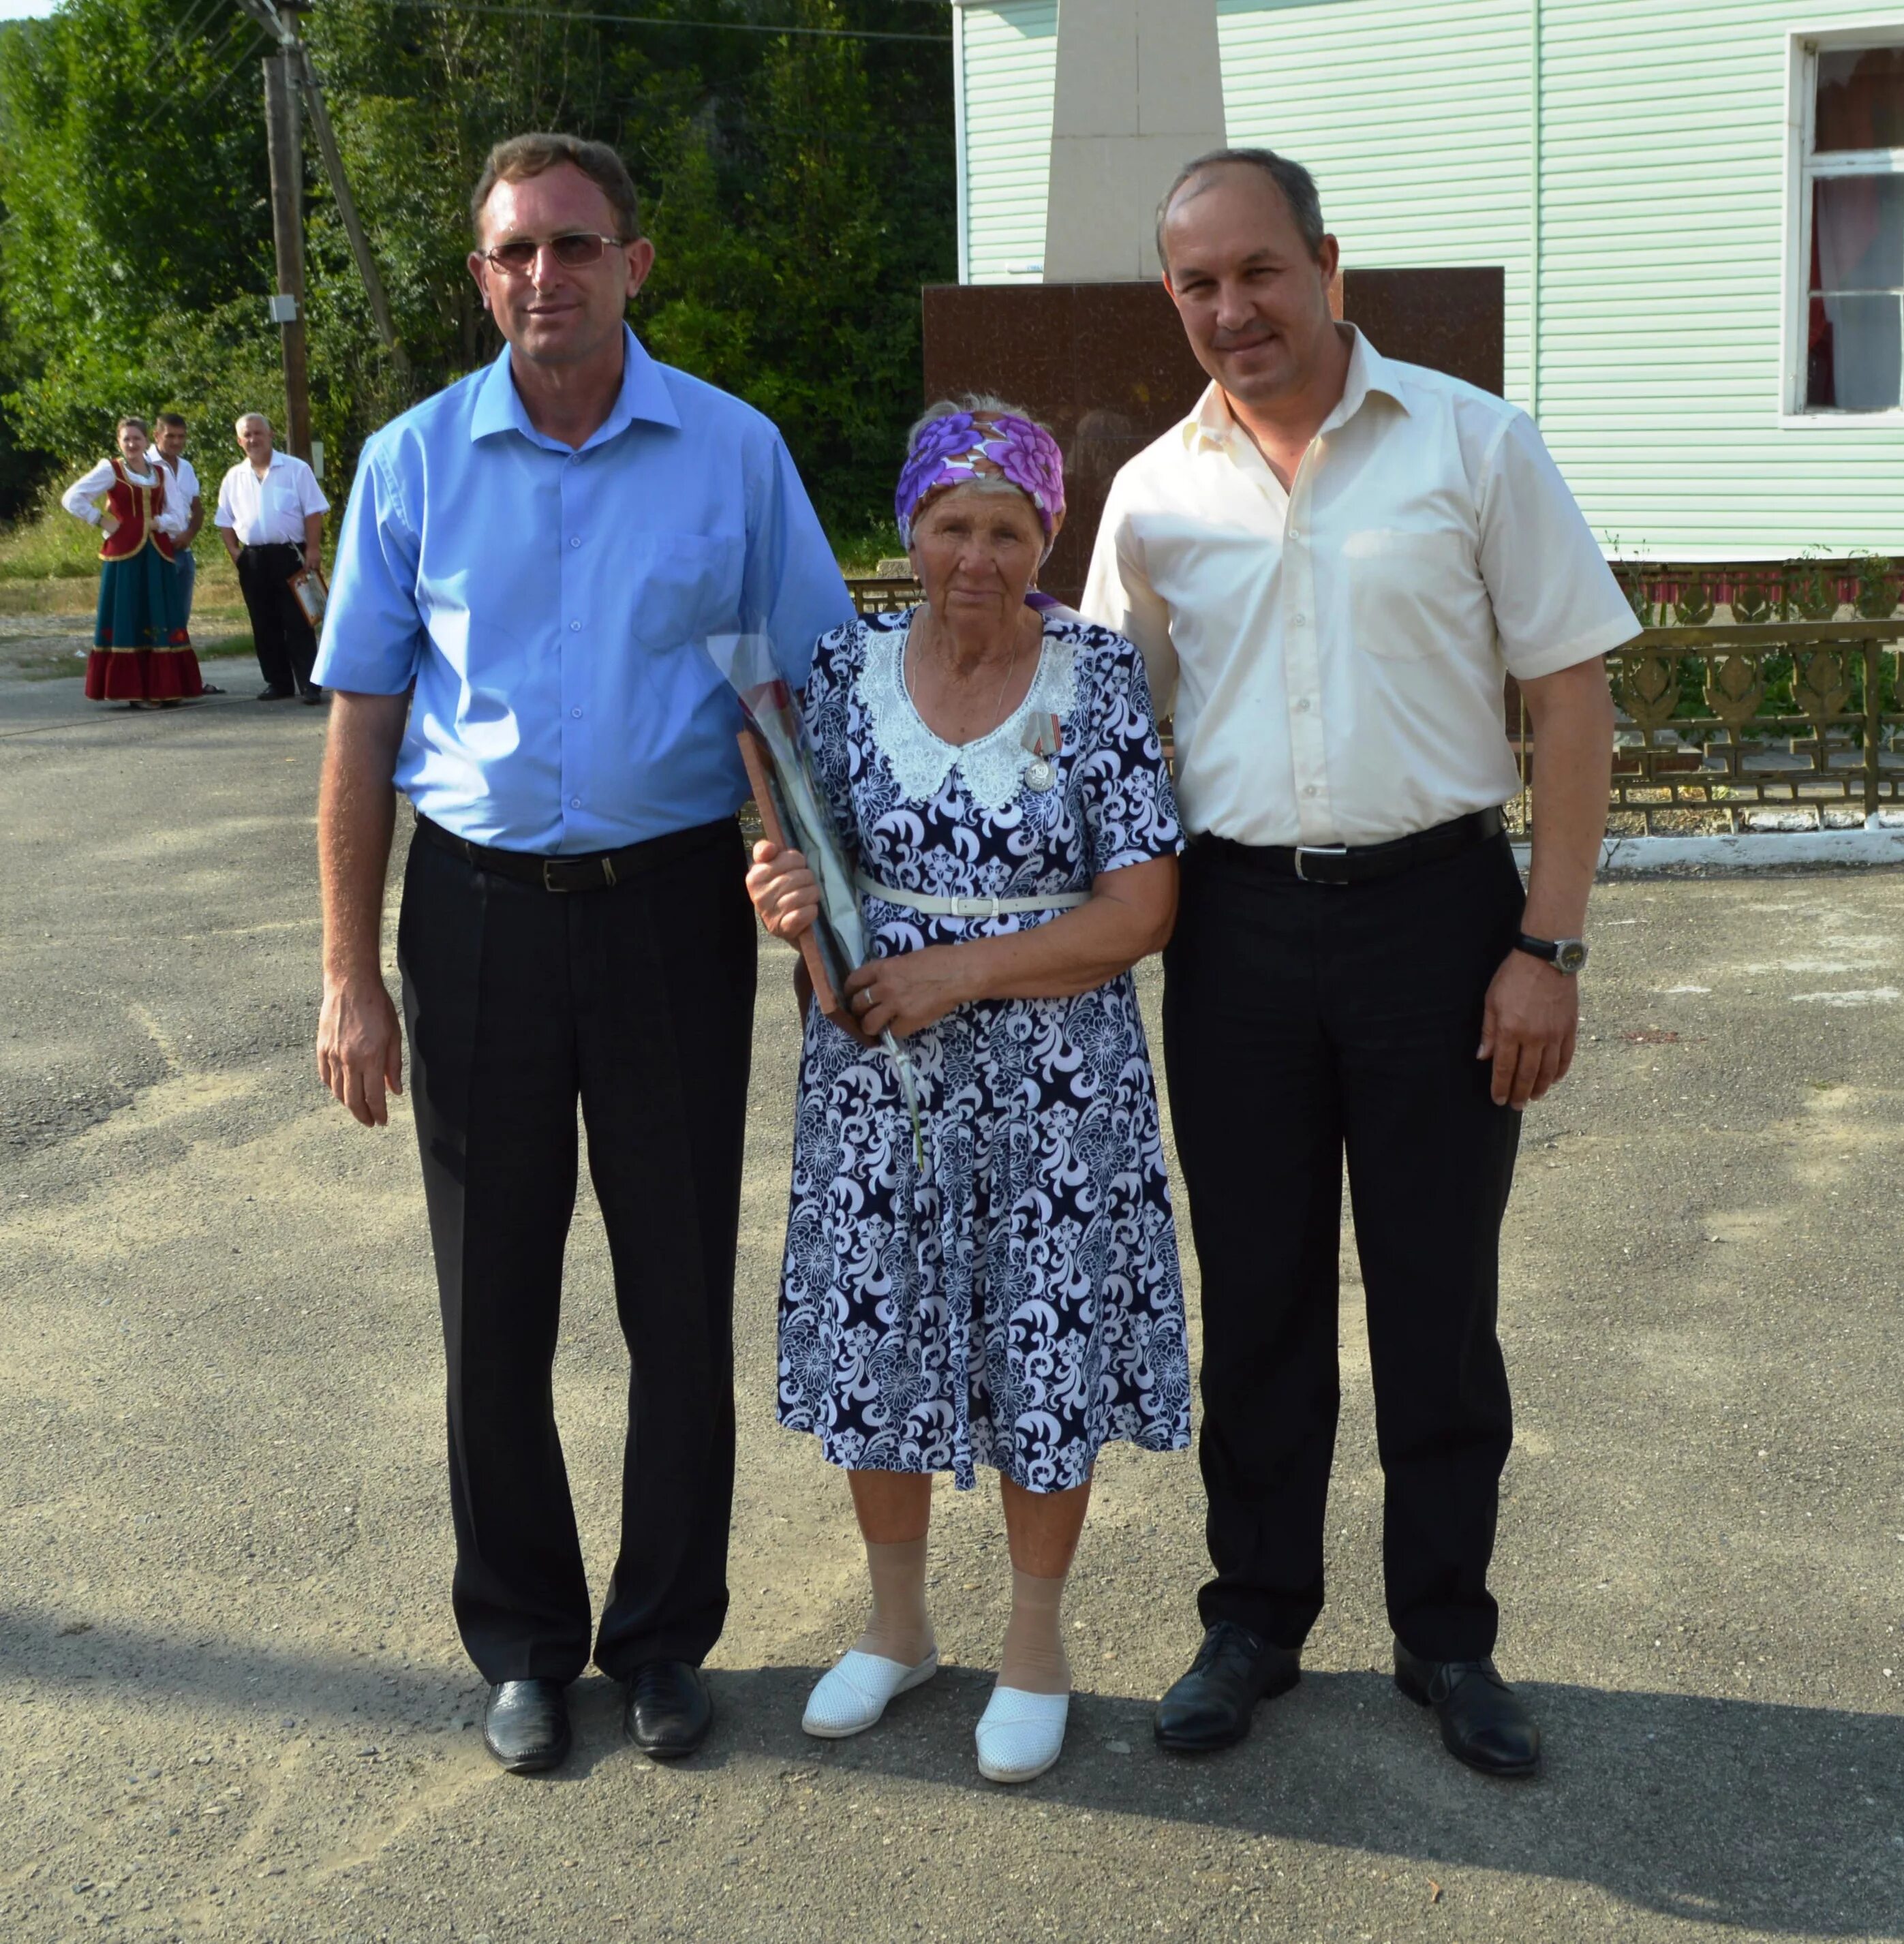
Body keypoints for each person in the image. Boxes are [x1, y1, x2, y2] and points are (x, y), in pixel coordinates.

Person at [1084, 149, 1636, 1777]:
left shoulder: (1472, 443)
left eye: (1257, 270)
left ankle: (1444, 1635)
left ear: (1325, 263)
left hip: (1437, 923)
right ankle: (1252, 1614)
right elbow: (1108, 733)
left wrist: (1546, 942)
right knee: (1252, 1294)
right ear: (1169, 298)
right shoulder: (1154, 494)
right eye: (1196, 283)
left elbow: (1569, 701)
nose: (1231, 309)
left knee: (1434, 1297)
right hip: (1236, 930)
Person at [313, 132, 851, 1776]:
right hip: (471, 920)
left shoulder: (732, 454)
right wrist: (351, 973)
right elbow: (361, 722)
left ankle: (667, 1634)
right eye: (512, 251)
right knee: (496, 1302)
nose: (542, 274)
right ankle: (529, 1641)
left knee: (678, 1286)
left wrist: (829, 912)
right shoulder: (411, 462)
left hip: (672, 913)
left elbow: (801, 695)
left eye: (573, 243)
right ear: (482, 276)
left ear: (633, 261)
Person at [745, 401, 1188, 1785]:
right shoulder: (840, 668)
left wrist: (969, 974)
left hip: (1057, 1075)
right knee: (883, 1327)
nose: (978, 555)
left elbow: (1142, 907)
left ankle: (1038, 1646)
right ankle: (895, 1627)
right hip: (880, 1071)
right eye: (953, 525)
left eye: (1008, 528)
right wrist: (785, 900)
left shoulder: (1096, 677)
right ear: (911, 531)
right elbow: (801, 850)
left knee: (1042, 1337)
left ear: (1048, 538)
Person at [61, 416, 202, 706]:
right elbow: (73, 497)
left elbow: (178, 515)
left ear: (146, 441)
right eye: (126, 439)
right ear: (119, 442)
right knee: (130, 614)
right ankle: (134, 691)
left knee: (160, 614)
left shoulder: (160, 473)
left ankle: (165, 687)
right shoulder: (111, 470)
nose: (132, 444)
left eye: (137, 439)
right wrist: (100, 519)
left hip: (157, 554)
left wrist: (156, 523)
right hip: (125, 555)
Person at [216, 412, 328, 703]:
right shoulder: (233, 477)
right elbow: (224, 520)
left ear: (271, 435)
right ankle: (278, 683)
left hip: (291, 555)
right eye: (247, 435)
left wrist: (313, 550)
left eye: (258, 433)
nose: (253, 439)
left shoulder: (296, 469)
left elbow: (313, 511)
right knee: (263, 623)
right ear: (240, 441)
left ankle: (310, 684)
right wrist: (235, 553)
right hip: (253, 559)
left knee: (299, 622)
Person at [147, 413, 203, 636]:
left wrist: (190, 533)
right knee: (155, 619)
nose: (177, 442)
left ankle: (177, 666)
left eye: (181, 436)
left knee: (180, 620)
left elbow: (197, 508)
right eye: (170, 436)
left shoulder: (186, 467)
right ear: (157, 435)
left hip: (183, 550)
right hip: (155, 549)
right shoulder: (143, 464)